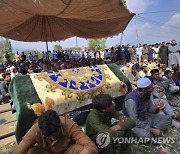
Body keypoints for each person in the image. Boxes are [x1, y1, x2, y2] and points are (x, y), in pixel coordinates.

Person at [13, 110, 98, 154]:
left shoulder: (69, 125)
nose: (53, 138)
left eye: (55, 134)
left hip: (66, 152)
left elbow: (91, 147)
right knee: (31, 151)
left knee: (80, 149)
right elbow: (18, 151)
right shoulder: (36, 129)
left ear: (60, 125)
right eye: (49, 136)